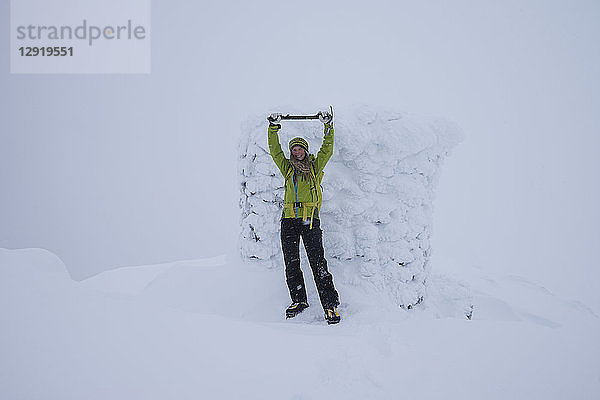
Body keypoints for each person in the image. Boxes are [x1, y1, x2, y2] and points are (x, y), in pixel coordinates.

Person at [267, 110, 341, 324]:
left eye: (300, 148)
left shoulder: (315, 168)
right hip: (288, 221)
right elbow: (275, 151)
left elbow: (327, 149)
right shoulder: (287, 169)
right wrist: (273, 128)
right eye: (294, 149)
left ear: (306, 151)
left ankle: (330, 306)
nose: (297, 151)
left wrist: (328, 126)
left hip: (309, 220)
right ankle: (299, 300)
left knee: (318, 263)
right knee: (291, 263)